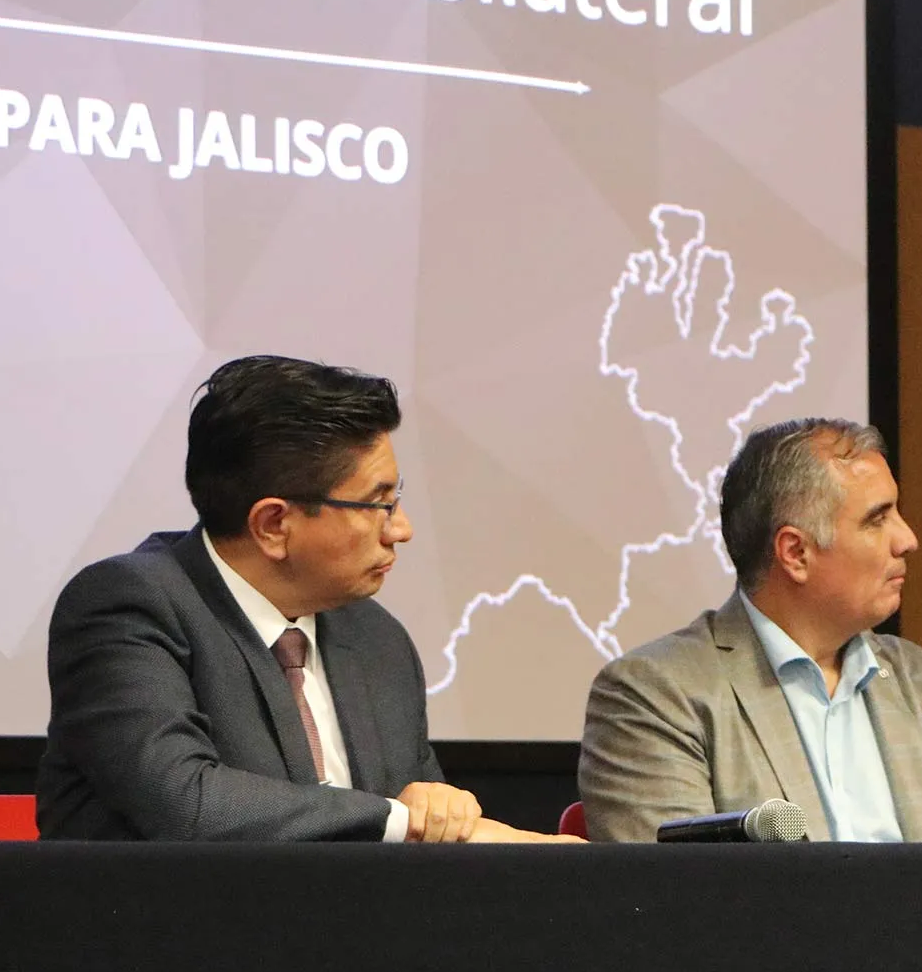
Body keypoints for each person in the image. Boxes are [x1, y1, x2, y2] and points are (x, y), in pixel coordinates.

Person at [40, 355, 568, 843]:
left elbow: (430, 828)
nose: (401, 529)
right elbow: (186, 802)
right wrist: (399, 818)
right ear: (273, 525)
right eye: (377, 504)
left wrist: (446, 816)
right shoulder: (129, 606)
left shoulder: (376, 638)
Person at [579, 418, 922, 843]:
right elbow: (678, 899)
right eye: (876, 519)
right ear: (795, 553)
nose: (907, 539)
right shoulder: (657, 695)